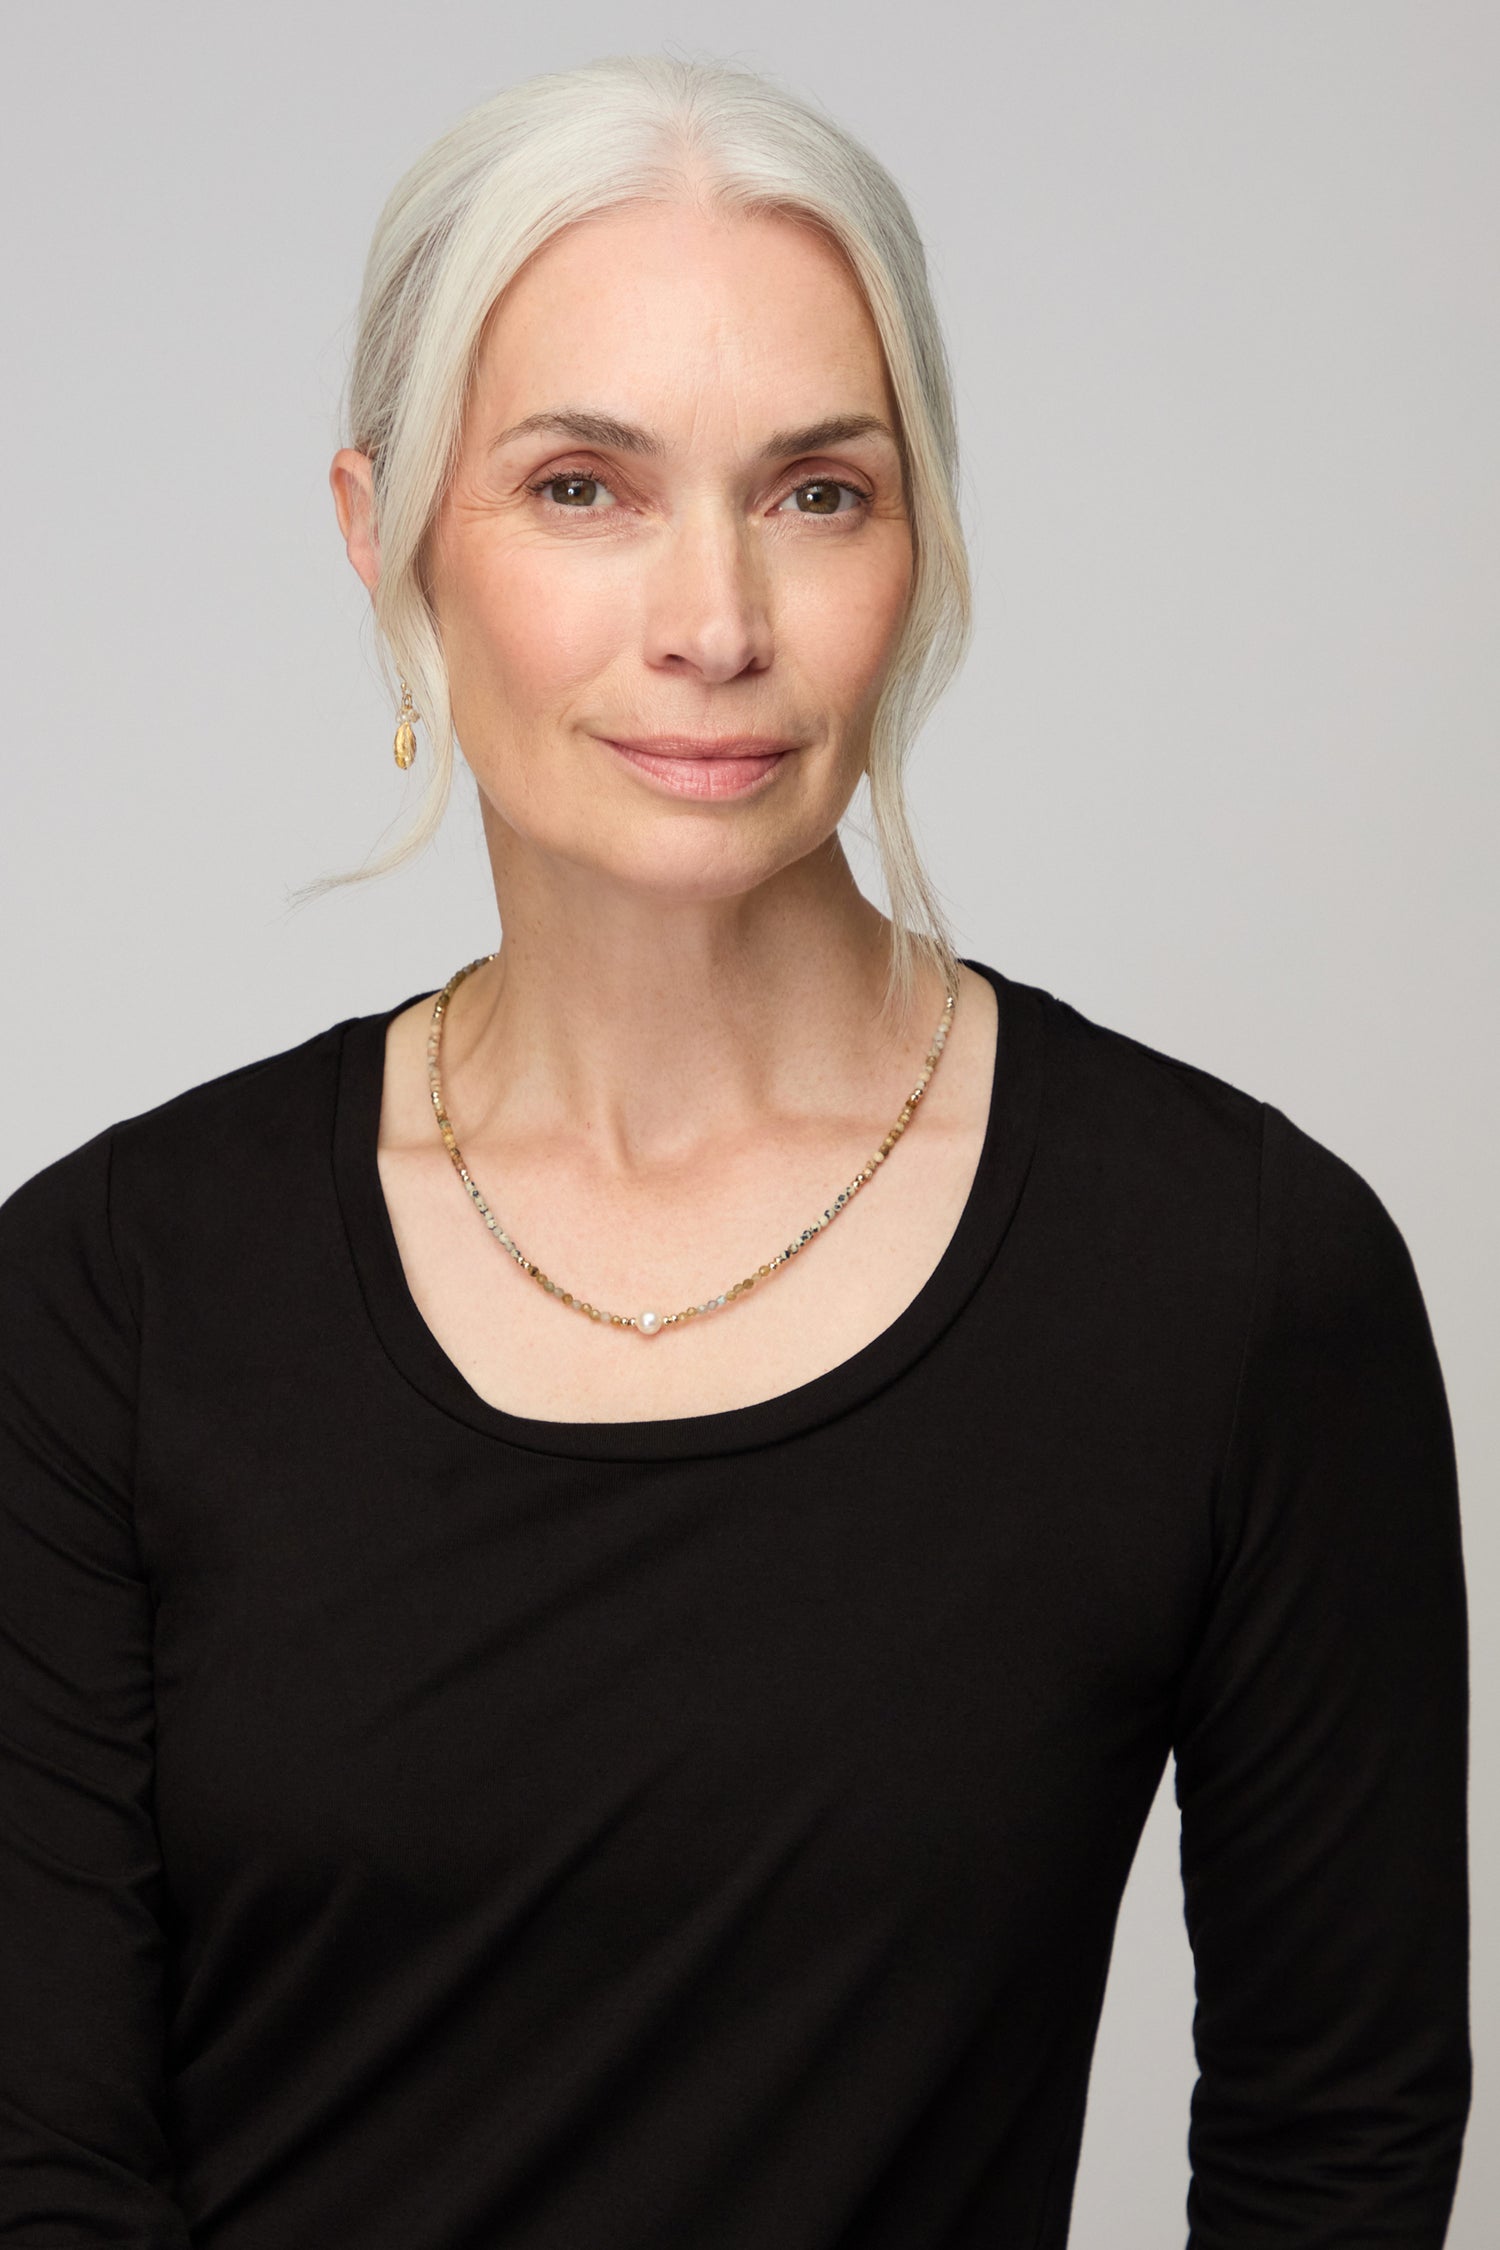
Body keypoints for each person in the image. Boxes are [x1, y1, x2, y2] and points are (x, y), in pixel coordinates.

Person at [0, 51, 1470, 2250]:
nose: (716, 623)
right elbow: (46, 2176)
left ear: (921, 535)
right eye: (584, 487)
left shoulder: (1237, 1281)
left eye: (816, 492)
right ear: (381, 529)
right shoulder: (109, 1295)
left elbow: (1333, 2150)